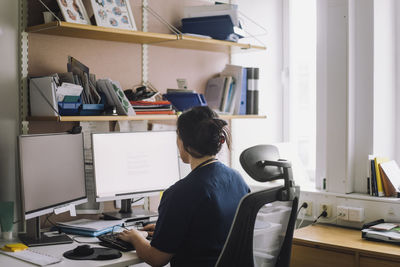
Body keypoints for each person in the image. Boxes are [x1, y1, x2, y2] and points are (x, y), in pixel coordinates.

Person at [119, 106, 250, 267]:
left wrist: (135, 236)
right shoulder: (237, 179)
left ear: (185, 143)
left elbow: (156, 259)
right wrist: (167, 229)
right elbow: (211, 228)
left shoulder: (180, 193)